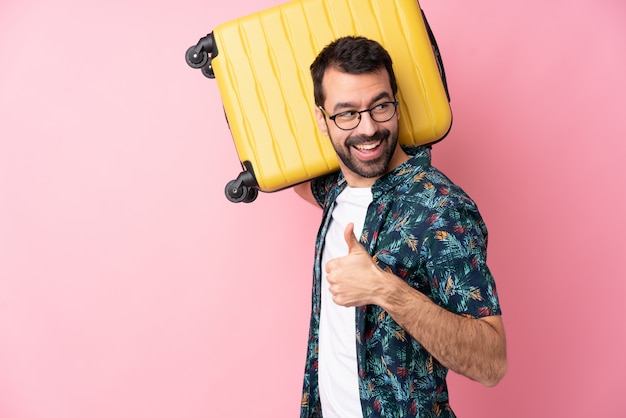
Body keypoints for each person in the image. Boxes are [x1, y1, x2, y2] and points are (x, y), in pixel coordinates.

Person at [293, 36, 507, 418]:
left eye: (380, 106)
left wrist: (383, 288)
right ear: (322, 120)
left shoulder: (440, 209)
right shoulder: (337, 188)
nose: (369, 129)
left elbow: (492, 362)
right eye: (346, 113)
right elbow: (284, 174)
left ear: (397, 103)